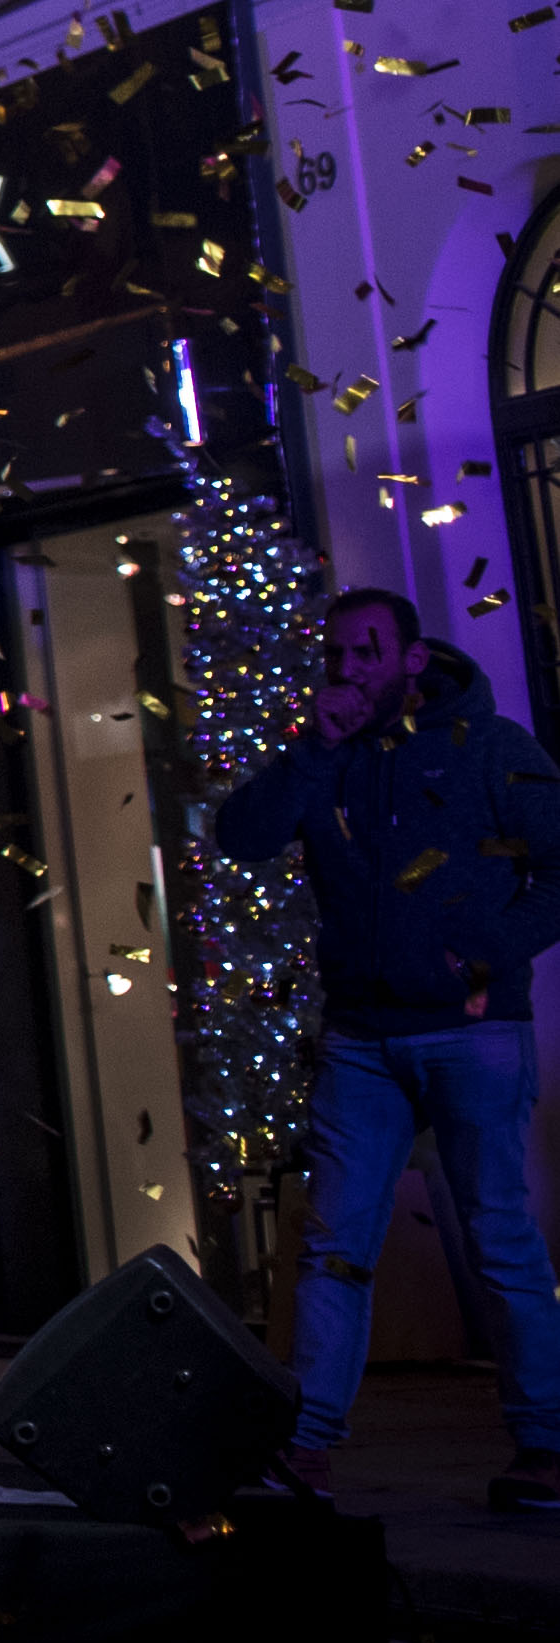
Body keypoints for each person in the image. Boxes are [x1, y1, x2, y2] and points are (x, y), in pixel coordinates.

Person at [214, 585, 560, 1511]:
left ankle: (545, 1446)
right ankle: (305, 1446)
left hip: (473, 1030)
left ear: (410, 659)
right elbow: (240, 838)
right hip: (361, 1038)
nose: (347, 668)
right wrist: (311, 748)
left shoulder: (490, 747)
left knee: (499, 1236)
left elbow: (557, 865)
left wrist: (485, 951)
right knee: (333, 1245)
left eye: (366, 651)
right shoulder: (325, 756)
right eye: (334, 654)